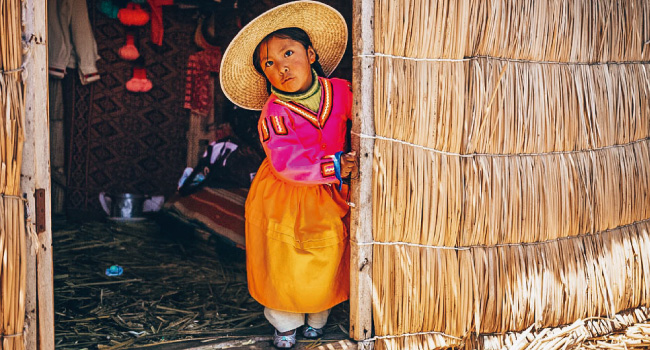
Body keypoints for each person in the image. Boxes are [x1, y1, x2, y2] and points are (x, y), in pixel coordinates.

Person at [219, 1, 356, 348]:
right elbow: (288, 162)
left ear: (310, 54)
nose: (281, 67)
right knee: (286, 259)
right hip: (286, 193)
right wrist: (336, 166)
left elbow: (366, 122)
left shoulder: (340, 91)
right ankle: (285, 324)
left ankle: (318, 318)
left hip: (331, 193)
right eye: (269, 64)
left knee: (327, 253)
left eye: (288, 53)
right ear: (264, 75)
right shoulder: (274, 112)